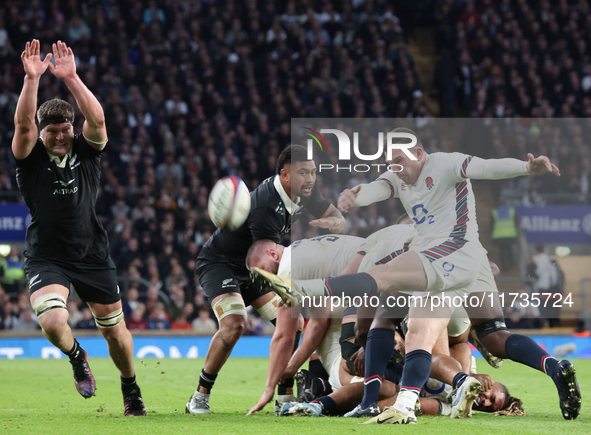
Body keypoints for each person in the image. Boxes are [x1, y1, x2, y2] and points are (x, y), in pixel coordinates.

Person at [251, 127, 581, 422]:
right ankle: (554, 367)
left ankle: (305, 293)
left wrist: (526, 167)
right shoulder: (397, 177)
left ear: (420, 153)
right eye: (390, 162)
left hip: (449, 254)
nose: (395, 168)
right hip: (474, 258)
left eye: (400, 160)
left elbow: (486, 166)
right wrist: (356, 196)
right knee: (494, 336)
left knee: (388, 287)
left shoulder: (445, 163)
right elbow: (379, 188)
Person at [12, 40, 145, 416]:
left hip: (91, 253)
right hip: (47, 255)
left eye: (65, 129)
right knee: (53, 321)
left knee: (115, 332)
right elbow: (23, 123)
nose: (58, 136)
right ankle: (76, 356)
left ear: (72, 129)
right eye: (51, 130)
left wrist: (71, 78)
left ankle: (130, 388)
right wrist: (31, 79)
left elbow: (99, 122)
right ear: (41, 133)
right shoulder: (30, 158)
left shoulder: (87, 151)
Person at [185, 144, 346, 414]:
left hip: (256, 264)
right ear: (284, 175)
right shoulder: (265, 208)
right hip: (222, 264)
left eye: (313, 172)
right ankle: (199, 398)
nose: (310, 179)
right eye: (303, 173)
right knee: (236, 324)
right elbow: (263, 264)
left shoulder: (305, 192)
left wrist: (334, 223)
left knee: (295, 325)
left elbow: (337, 218)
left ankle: (284, 397)